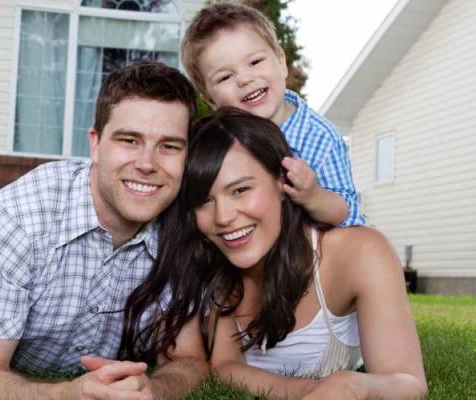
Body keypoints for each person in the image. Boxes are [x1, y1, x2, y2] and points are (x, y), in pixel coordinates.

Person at [0, 61, 209, 399]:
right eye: (129, 140)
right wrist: (68, 395)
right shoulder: (19, 217)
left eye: (169, 146)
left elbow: (189, 360)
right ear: (95, 143)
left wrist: (155, 390)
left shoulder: (183, 227)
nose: (148, 164)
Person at [120, 108, 427, 399]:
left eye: (240, 190)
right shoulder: (213, 267)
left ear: (282, 182)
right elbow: (226, 368)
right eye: (204, 200)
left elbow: (408, 383)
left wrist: (351, 386)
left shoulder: (359, 252)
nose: (224, 217)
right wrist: (304, 392)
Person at [181, 1, 365, 228]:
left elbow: (350, 214)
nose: (245, 79)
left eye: (255, 62)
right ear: (210, 100)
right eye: (225, 77)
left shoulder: (319, 138)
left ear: (281, 62)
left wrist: (314, 196)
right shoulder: (218, 145)